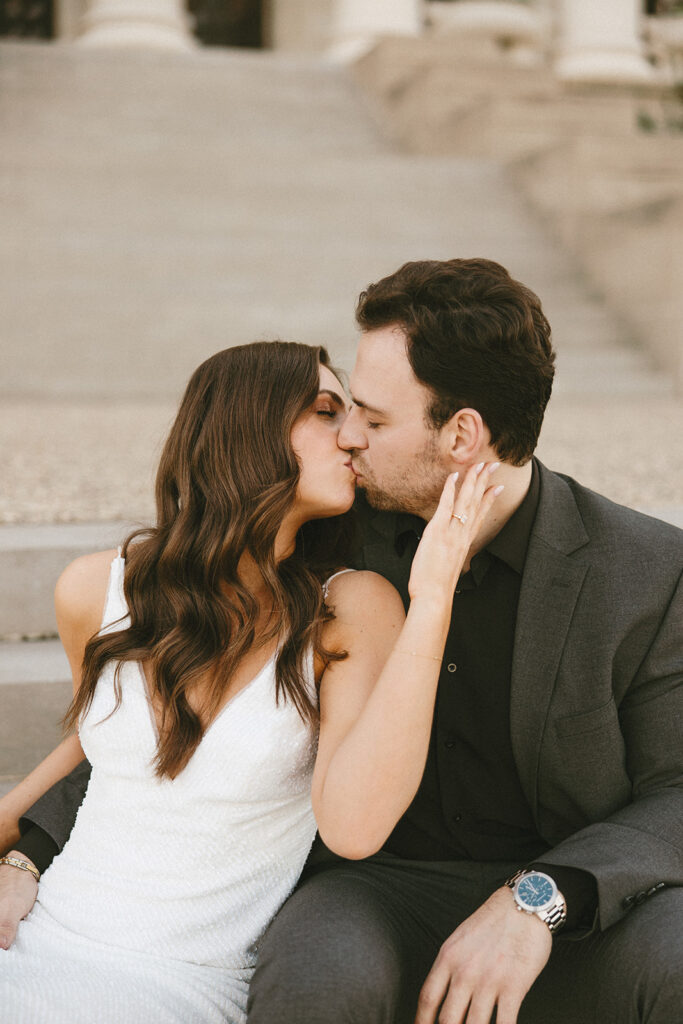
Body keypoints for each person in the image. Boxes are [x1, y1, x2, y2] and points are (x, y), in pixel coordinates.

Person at [5, 257, 683, 1023]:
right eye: (340, 411)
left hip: (573, 895)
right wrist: (32, 849)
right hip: (381, 889)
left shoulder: (644, 572)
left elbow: (677, 788)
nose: (351, 436)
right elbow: (172, 693)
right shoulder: (327, 535)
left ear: (461, 434)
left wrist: (541, 898)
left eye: (373, 417)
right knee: (313, 974)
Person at [0, 337, 502, 1023]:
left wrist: (435, 593)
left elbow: (354, 828)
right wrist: (21, 859)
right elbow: (91, 755)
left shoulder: (350, 610)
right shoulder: (95, 589)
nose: (353, 436)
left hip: (181, 983)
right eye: (326, 411)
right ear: (245, 426)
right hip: (35, 939)